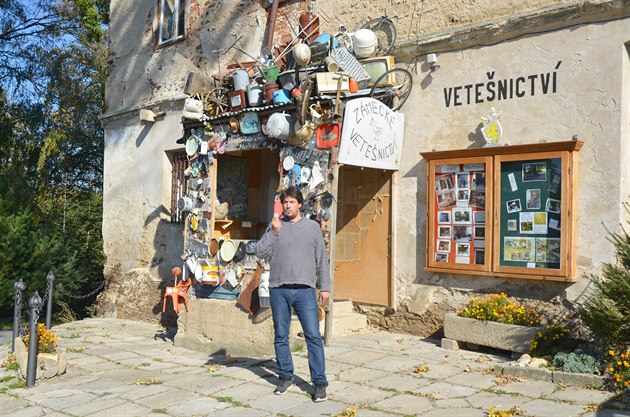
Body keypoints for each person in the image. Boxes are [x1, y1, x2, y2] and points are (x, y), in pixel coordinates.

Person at [256, 186, 330, 402]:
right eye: (284, 202)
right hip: (279, 288)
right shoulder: (276, 226)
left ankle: (319, 383)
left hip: (305, 289)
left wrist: (324, 287)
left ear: (300, 204)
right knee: (280, 336)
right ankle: (285, 376)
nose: (287, 206)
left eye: (291, 202)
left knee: (313, 336)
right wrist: (274, 231)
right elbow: (260, 251)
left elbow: (321, 259)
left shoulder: (312, 228)